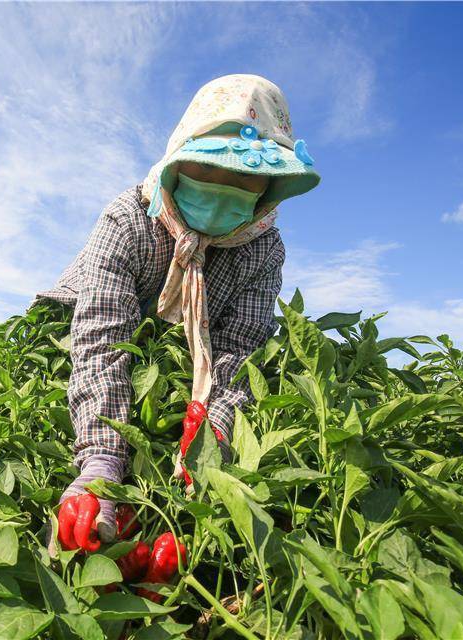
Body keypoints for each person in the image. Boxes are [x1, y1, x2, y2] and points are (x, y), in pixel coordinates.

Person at [35, 75, 321, 545]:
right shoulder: (129, 219)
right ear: (178, 166)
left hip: (183, 339)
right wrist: (102, 461)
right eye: (209, 170)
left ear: (269, 187)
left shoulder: (262, 247)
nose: (225, 186)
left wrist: (215, 427)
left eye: (244, 178)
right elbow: (100, 337)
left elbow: (240, 345)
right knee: (69, 360)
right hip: (73, 315)